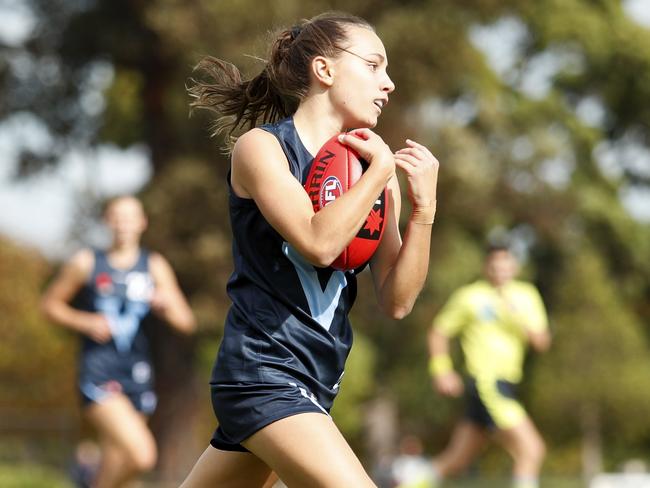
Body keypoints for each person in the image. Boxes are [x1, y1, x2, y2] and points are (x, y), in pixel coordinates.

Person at [180, 11, 439, 488]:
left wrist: (423, 214)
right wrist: (381, 174)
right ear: (325, 70)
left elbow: (397, 300)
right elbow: (319, 243)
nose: (390, 83)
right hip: (262, 374)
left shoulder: (374, 172)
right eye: (374, 65)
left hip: (316, 381)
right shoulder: (262, 150)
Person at [40, 195, 196, 488]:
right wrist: (84, 321)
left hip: (137, 372)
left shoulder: (154, 265)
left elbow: (186, 322)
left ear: (142, 223)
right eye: (117, 217)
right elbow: (49, 306)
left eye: (130, 217)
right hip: (99, 371)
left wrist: (166, 306)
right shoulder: (86, 262)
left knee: (121, 465)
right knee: (142, 456)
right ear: (107, 221)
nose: (124, 224)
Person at [425, 243, 551, 488]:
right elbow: (438, 332)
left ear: (515, 267)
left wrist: (516, 316)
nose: (500, 271)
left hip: (509, 383)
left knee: (456, 460)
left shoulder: (526, 295)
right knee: (532, 450)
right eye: (495, 266)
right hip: (487, 383)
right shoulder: (470, 296)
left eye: (506, 265)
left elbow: (541, 342)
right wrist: (441, 370)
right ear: (486, 267)